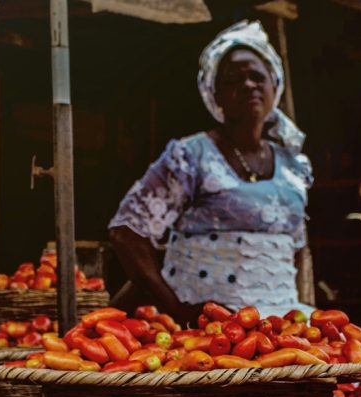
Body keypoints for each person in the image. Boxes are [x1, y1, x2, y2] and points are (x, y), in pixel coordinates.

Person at [108, 21, 313, 324]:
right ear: (214, 94)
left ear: (275, 85)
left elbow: (295, 249)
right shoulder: (190, 156)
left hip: (277, 322)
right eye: (233, 79)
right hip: (204, 326)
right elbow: (127, 233)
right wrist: (177, 309)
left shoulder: (295, 166)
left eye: (258, 76)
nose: (248, 85)